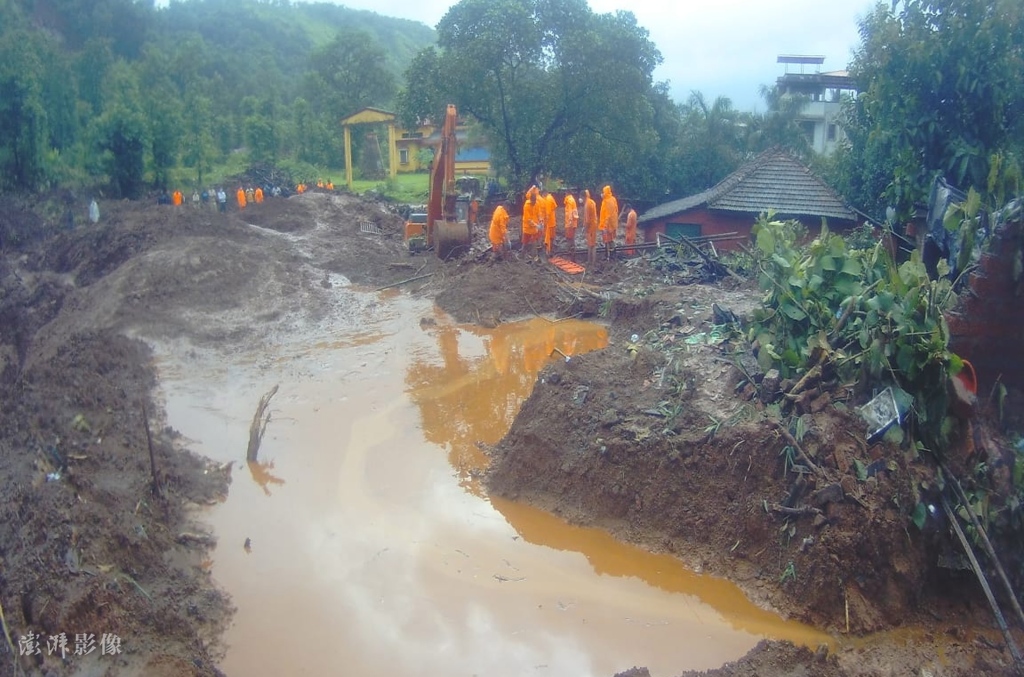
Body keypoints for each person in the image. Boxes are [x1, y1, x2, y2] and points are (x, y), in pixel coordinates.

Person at [599, 185, 619, 260]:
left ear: (606, 192)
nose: (602, 194)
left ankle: (608, 256)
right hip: (612, 225)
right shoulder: (613, 199)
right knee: (611, 240)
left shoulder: (607, 202)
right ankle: (612, 254)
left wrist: (605, 226)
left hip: (607, 225)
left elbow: (608, 215)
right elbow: (616, 211)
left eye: (603, 192)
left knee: (607, 241)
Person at [521, 186, 541, 260]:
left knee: (534, 243)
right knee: (525, 243)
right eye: (533, 202)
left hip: (534, 229)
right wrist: (536, 225)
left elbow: (539, 213)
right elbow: (528, 219)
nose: (534, 203)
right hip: (527, 228)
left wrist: (541, 220)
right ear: (531, 200)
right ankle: (522, 256)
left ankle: (534, 257)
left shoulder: (536, 203)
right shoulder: (526, 206)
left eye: (535, 202)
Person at [583, 189, 598, 265]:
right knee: (591, 244)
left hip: (591, 227)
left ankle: (592, 261)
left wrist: (586, 228)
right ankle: (590, 261)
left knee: (591, 245)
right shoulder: (591, 202)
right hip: (593, 226)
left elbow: (588, 220)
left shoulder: (587, 204)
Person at [542, 190, 557, 257]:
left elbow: (547, 212)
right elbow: (554, 207)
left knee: (548, 238)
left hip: (549, 222)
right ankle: (552, 251)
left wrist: (545, 223)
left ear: (544, 194)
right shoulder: (551, 197)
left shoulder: (548, 199)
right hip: (552, 221)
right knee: (552, 238)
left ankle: (548, 252)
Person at [563, 192, 578, 257]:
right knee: (572, 237)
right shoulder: (572, 200)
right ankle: (572, 251)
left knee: (569, 237)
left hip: (570, 223)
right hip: (573, 223)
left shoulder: (569, 201)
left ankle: (570, 252)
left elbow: (569, 212)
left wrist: (570, 222)